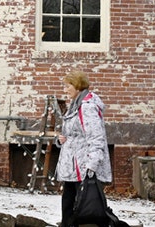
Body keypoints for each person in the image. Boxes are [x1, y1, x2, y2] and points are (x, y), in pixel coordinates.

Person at [55, 70, 112, 227]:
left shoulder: (87, 107)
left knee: (83, 204)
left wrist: (92, 165)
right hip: (73, 164)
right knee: (69, 200)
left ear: (77, 86)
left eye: (68, 86)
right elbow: (73, 131)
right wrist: (62, 139)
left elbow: (96, 137)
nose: (65, 90)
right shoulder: (75, 104)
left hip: (83, 165)